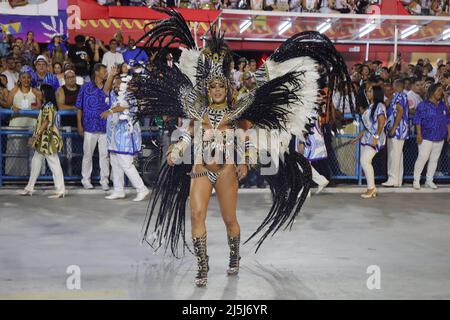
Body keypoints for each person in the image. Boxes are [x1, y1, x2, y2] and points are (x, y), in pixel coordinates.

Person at [134, 8, 353, 287]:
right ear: (208, 89)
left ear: (226, 89)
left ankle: (234, 256)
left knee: (229, 219)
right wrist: (177, 150)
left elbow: (247, 140)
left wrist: (246, 161)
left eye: (220, 87)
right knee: (196, 213)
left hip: (226, 170)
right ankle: (203, 266)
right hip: (201, 168)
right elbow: (190, 134)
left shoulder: (239, 113)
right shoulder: (198, 110)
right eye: (212, 87)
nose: (216, 90)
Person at [104, 76, 149, 201]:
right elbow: (106, 90)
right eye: (114, 85)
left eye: (118, 84)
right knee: (115, 162)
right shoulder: (114, 95)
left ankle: (142, 189)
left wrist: (110, 111)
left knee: (126, 163)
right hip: (114, 135)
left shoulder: (130, 96)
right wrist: (111, 76)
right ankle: (119, 190)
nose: (116, 87)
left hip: (126, 136)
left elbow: (123, 107)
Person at [19, 84, 65, 198]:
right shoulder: (47, 105)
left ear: (45, 93)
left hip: (47, 138)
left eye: (40, 91)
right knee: (36, 161)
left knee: (53, 163)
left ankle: (60, 190)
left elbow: (46, 122)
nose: (38, 92)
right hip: (44, 138)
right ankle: (29, 187)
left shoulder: (49, 106)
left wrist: (35, 135)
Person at [75, 63, 115, 190]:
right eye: (104, 70)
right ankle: (86, 180)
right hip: (89, 126)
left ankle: (104, 181)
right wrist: (79, 124)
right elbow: (79, 107)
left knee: (104, 155)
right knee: (88, 154)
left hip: (104, 127)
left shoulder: (109, 88)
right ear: (97, 72)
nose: (106, 73)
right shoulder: (85, 88)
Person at [4, 66, 42, 176]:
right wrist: (12, 108)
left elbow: (40, 106)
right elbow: (7, 105)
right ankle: (13, 176)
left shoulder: (35, 92)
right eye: (23, 77)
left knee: (32, 152)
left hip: (31, 124)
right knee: (15, 150)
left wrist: (37, 107)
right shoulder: (14, 90)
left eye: (28, 78)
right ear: (20, 79)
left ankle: (32, 176)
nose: (26, 80)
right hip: (16, 124)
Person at [413, 83, 450, 190]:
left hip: (440, 136)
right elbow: (417, 120)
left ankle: (429, 181)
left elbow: (447, 119)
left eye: (441, 90)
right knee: (423, 157)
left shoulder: (442, 105)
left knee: (434, 159)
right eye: (438, 90)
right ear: (432, 91)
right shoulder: (423, 105)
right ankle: (416, 180)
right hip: (426, 136)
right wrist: (419, 134)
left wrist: (449, 133)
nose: (440, 92)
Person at [352, 85, 386, 198]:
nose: (368, 92)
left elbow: (381, 122)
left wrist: (376, 137)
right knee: (366, 161)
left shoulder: (380, 106)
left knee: (365, 160)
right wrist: (358, 136)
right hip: (367, 138)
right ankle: (371, 188)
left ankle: (371, 188)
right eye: (367, 91)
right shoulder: (371, 106)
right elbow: (368, 126)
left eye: (370, 91)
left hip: (375, 138)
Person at [382, 79, 409, 187]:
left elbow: (400, 111)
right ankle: (397, 180)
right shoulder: (399, 96)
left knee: (394, 155)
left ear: (396, 86)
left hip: (397, 131)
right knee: (398, 155)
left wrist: (394, 127)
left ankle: (392, 179)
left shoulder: (399, 96)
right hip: (399, 130)